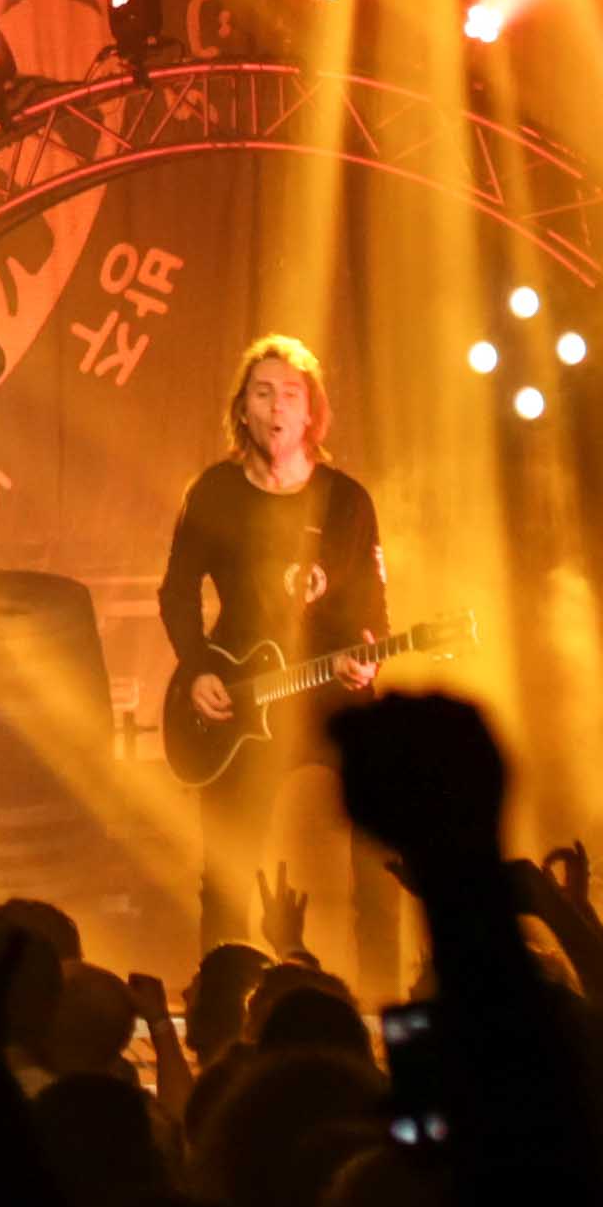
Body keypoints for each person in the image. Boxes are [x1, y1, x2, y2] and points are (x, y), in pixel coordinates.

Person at [159, 334, 384, 981]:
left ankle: (382, 1002)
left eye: (291, 393)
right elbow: (177, 592)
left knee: (381, 850)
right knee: (226, 868)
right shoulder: (215, 492)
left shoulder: (347, 501)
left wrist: (370, 654)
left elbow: (375, 608)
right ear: (243, 410)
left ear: (312, 412)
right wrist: (197, 667)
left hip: (332, 694)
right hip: (242, 693)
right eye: (263, 393)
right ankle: (224, 997)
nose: (278, 406)